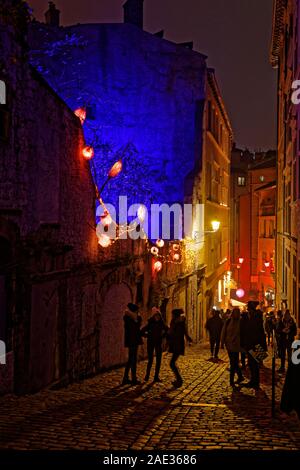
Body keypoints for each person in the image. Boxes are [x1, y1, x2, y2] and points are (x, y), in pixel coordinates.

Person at [240, 301, 267, 390]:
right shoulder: (251, 316)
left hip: (255, 344)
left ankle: (255, 382)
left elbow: (258, 332)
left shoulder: (256, 317)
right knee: (252, 364)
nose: (248, 310)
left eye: (249, 309)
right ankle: (254, 381)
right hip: (250, 343)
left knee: (254, 363)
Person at [141, 307, 168, 382]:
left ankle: (156, 377)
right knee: (150, 360)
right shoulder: (150, 323)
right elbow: (142, 330)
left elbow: (167, 330)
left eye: (158, 316)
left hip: (158, 343)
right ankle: (147, 376)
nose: (157, 317)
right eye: (156, 316)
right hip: (151, 343)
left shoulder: (161, 323)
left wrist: (163, 336)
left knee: (158, 360)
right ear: (154, 316)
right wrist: (147, 335)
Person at [168, 308, 192, 388]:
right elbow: (185, 333)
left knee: (172, 363)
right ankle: (178, 379)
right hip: (177, 344)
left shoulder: (178, 323)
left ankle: (179, 380)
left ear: (175, 315)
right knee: (172, 363)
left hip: (177, 345)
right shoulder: (179, 322)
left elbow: (173, 332)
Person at [221, 308, 244, 387]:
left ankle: (231, 380)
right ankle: (240, 377)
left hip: (237, 345)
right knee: (234, 362)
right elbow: (224, 332)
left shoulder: (241, 322)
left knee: (233, 362)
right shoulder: (228, 322)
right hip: (229, 345)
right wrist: (222, 342)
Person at [122, 303, 143, 385]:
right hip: (132, 341)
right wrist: (137, 319)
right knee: (132, 359)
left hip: (132, 340)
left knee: (131, 359)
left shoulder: (129, 318)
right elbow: (135, 328)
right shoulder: (130, 319)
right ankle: (132, 378)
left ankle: (126, 377)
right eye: (137, 311)